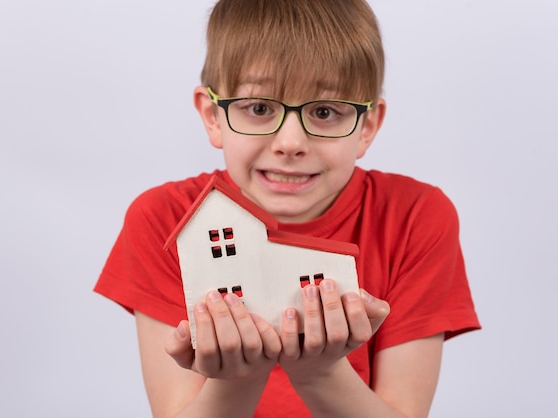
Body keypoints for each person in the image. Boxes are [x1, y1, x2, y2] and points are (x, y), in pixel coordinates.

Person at [94, 0, 481, 416]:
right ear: (212, 116)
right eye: (259, 108)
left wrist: (319, 373)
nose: (290, 143)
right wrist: (239, 378)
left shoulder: (416, 217)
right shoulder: (163, 220)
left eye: (325, 111)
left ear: (367, 127)